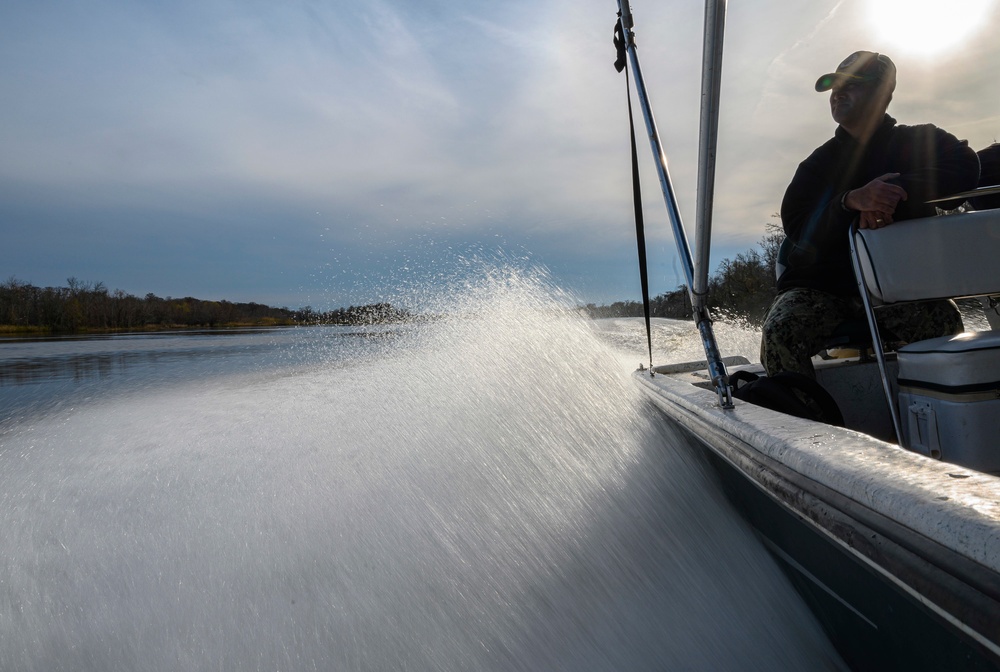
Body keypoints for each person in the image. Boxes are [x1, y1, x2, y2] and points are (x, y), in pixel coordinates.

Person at [761, 51, 980, 379]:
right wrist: (849, 203)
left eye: (852, 85)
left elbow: (966, 166)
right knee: (780, 334)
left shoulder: (918, 140)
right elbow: (797, 224)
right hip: (823, 288)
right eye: (834, 87)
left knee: (944, 323)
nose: (837, 93)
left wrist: (893, 194)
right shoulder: (816, 165)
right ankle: (807, 424)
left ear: (883, 93)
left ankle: (943, 420)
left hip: (903, 287)